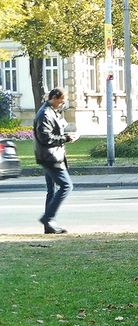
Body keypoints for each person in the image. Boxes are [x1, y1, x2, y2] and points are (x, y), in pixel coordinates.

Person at [33, 87, 77, 234]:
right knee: (66, 186)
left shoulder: (52, 111)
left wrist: (66, 136)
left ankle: (49, 225)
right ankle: (48, 218)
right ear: (54, 98)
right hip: (50, 157)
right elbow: (45, 137)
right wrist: (65, 138)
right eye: (61, 101)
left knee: (52, 190)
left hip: (51, 155)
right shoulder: (45, 113)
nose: (62, 104)